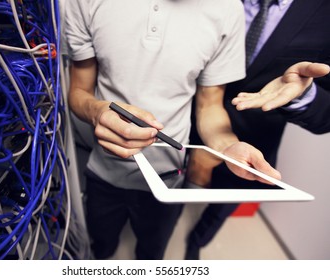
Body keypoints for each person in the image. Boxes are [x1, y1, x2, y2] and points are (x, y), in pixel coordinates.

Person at [64, 0, 280, 260]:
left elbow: (209, 106)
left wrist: (226, 147)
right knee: (100, 247)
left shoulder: (228, 8)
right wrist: (96, 111)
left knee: (152, 252)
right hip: (103, 170)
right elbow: (78, 92)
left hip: (168, 177)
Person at [185, 0, 330, 260]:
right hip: (189, 117)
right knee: (172, 189)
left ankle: (196, 241)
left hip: (255, 140)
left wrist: (302, 94)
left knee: (222, 207)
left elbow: (326, 115)